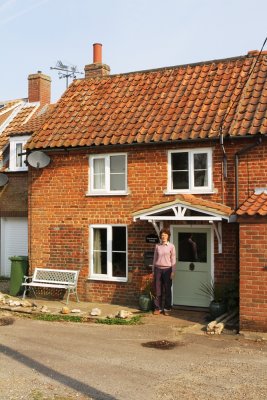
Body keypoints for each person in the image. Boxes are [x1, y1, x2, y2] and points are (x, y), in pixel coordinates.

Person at [152, 228, 176, 316]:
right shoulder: (157, 246)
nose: (163, 237)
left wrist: (173, 271)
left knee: (167, 289)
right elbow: (154, 258)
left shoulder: (171, 246)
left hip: (168, 270)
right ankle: (157, 308)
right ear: (160, 236)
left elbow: (173, 259)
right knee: (157, 289)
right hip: (158, 269)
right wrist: (153, 270)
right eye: (162, 235)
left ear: (168, 236)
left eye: (165, 235)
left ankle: (167, 308)